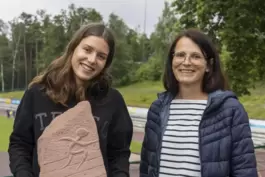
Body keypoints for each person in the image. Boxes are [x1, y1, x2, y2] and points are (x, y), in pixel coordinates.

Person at [8, 22, 133, 177]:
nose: (92, 59)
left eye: (101, 56)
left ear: (106, 63)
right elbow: (20, 144)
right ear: (73, 48)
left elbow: (119, 155)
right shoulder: (38, 93)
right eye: (87, 50)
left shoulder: (113, 101)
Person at [140, 29, 258, 177]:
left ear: (208, 65)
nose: (186, 62)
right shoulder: (157, 109)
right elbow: (146, 168)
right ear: (172, 61)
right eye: (180, 55)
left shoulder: (230, 110)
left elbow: (245, 171)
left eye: (195, 56)